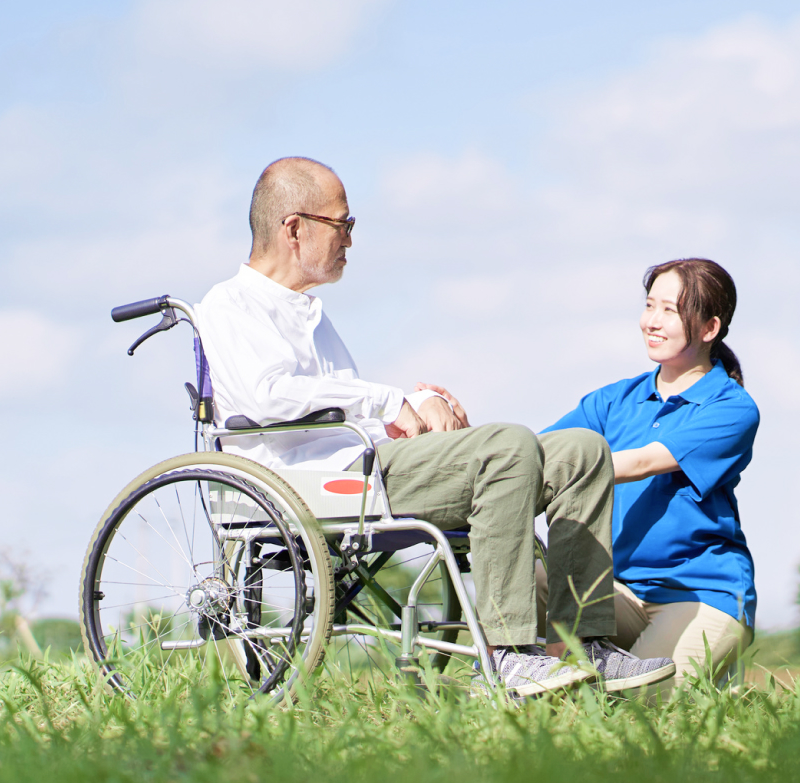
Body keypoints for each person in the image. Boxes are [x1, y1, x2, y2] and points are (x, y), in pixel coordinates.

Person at [194, 157, 674, 696]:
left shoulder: (309, 311)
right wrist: (390, 400)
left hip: (366, 460)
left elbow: (350, 408)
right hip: (315, 481)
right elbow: (268, 396)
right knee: (508, 445)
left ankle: (582, 644)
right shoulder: (230, 305)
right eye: (343, 224)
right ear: (295, 227)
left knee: (582, 452)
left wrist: (419, 406)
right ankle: (509, 653)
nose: (350, 239)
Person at [536, 258, 759, 689]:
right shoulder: (613, 400)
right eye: (649, 306)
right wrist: (480, 448)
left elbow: (638, 464)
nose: (651, 322)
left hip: (698, 596)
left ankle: (715, 683)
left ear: (709, 328)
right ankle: (519, 682)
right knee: (531, 568)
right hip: (613, 593)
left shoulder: (731, 409)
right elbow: (539, 457)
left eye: (670, 311)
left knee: (631, 707)